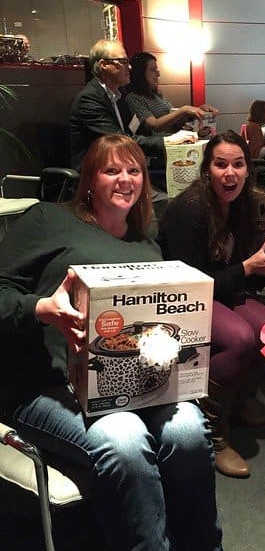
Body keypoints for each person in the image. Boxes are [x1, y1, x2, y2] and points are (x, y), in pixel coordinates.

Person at [0, 134, 223, 551]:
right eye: (112, 169)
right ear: (89, 180)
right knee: (124, 439)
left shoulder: (146, 243)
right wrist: (40, 308)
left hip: (138, 384)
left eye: (134, 170)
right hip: (45, 384)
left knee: (190, 432)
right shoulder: (48, 218)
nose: (125, 179)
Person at [158, 131, 265, 478]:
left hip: (223, 290)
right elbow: (194, 284)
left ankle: (239, 397)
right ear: (207, 170)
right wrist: (248, 268)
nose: (230, 173)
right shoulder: (188, 210)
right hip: (182, 299)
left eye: (238, 164)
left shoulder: (248, 206)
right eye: (220, 165)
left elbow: (248, 276)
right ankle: (213, 431)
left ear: (248, 170)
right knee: (240, 338)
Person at [69, 40, 166, 174]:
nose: (130, 67)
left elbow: (134, 130)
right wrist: (167, 142)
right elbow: (118, 141)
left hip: (122, 165)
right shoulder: (89, 99)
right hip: (97, 175)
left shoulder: (119, 95)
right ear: (103, 65)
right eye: (123, 62)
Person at [125, 51, 218, 137]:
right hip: (157, 147)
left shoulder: (155, 96)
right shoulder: (134, 98)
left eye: (157, 70)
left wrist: (199, 111)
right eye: (153, 70)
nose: (158, 74)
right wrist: (184, 110)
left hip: (174, 141)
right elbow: (155, 125)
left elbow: (174, 121)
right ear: (140, 74)